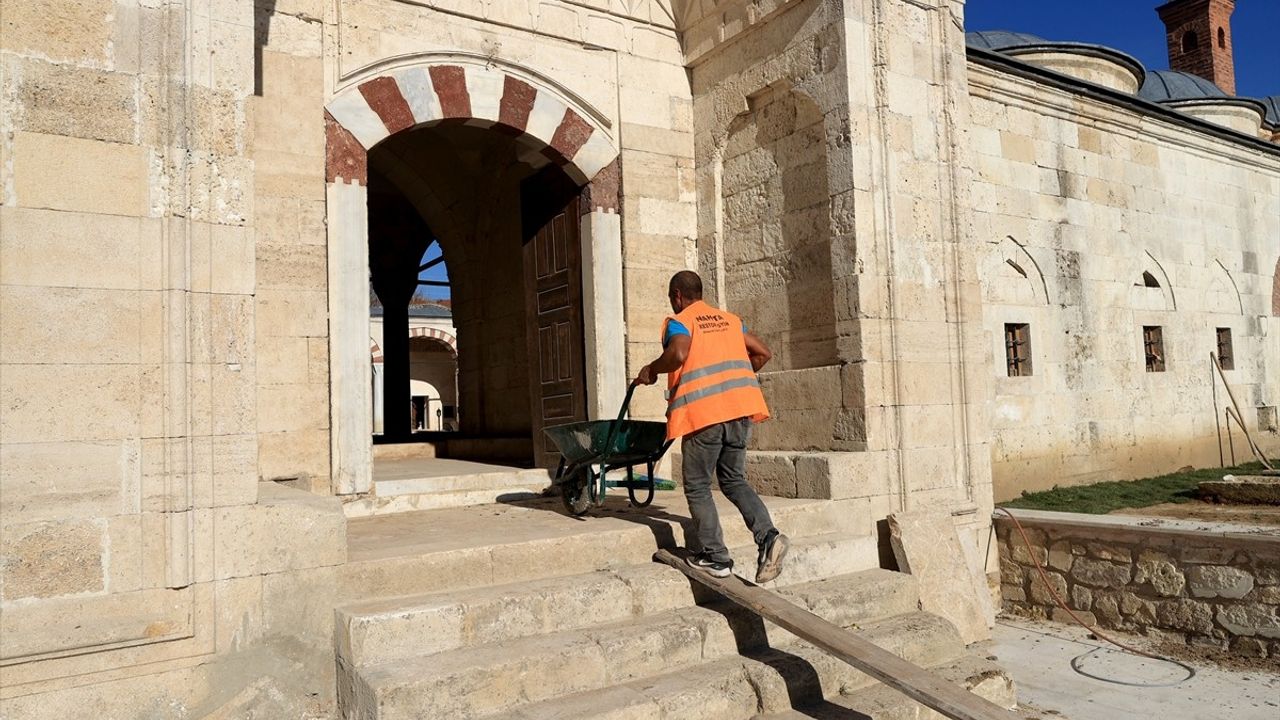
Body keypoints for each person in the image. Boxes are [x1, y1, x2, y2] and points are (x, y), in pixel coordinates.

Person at [634, 270, 788, 582]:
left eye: (672, 299)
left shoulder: (680, 321)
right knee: (734, 481)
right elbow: (763, 353)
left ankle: (716, 557)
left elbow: (678, 352)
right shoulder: (730, 320)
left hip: (705, 416)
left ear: (678, 296)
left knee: (697, 486)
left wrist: (652, 369)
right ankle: (769, 537)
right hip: (740, 412)